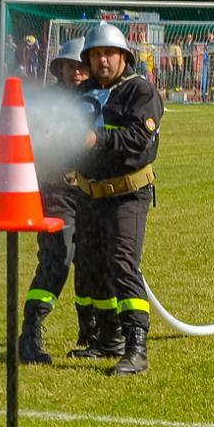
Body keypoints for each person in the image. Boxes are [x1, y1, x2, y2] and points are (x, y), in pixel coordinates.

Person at [71, 22, 163, 376]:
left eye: (109, 53)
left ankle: (136, 347)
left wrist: (97, 141)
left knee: (123, 265)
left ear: (124, 56)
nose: (102, 61)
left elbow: (142, 140)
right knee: (92, 265)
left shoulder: (140, 92)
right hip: (90, 193)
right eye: (95, 55)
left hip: (127, 193)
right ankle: (107, 338)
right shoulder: (82, 94)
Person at [19, 38, 91, 365]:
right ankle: (30, 334)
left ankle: (92, 335)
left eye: (82, 66)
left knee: (92, 264)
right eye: (70, 66)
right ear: (59, 68)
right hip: (57, 191)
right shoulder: (45, 104)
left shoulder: (100, 98)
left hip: (93, 194)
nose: (76, 72)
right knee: (56, 260)